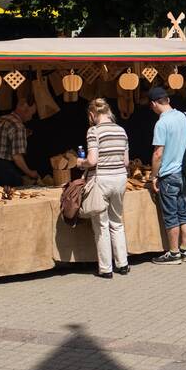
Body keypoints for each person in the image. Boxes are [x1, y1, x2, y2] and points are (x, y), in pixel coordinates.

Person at [77, 98, 129, 278]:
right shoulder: (121, 131)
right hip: (120, 179)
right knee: (117, 222)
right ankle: (123, 264)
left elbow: (92, 160)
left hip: (102, 180)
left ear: (92, 114)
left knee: (101, 225)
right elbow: (126, 161)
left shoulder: (94, 131)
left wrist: (80, 162)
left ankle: (106, 268)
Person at [149, 87, 186, 265]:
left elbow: (158, 153)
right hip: (184, 173)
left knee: (171, 215)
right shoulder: (185, 116)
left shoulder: (161, 123)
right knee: (184, 212)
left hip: (168, 175)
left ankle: (174, 253)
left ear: (154, 103)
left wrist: (153, 176)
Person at [0, 97, 39, 187]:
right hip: (3, 171)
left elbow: (2, 142)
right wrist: (30, 173)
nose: (30, 118)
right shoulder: (18, 126)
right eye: (31, 114)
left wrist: (23, 136)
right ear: (25, 110)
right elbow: (17, 157)